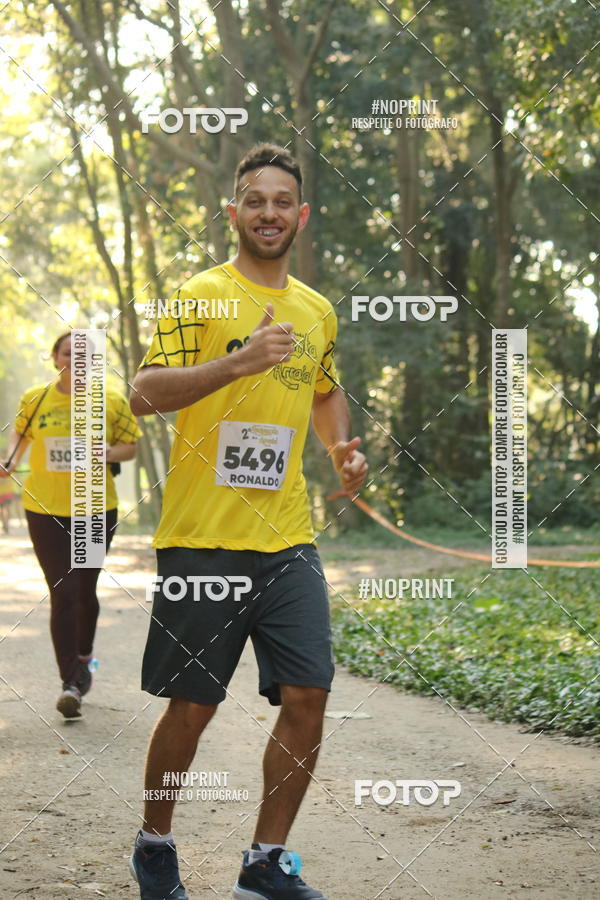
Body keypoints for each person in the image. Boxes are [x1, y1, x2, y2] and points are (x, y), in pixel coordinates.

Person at [129, 143, 368, 900]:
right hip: (203, 538)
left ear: (300, 216)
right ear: (233, 213)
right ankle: (155, 840)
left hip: (287, 539)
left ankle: (264, 864)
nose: (268, 213)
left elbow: (326, 391)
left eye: (282, 202)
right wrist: (238, 363)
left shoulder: (316, 310)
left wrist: (341, 451)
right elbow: (142, 392)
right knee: (193, 707)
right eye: (254, 200)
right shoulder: (199, 295)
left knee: (309, 695)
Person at [0, 331, 141, 718]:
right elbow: (20, 432)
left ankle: (84, 654)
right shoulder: (36, 398)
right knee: (63, 590)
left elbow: (131, 445)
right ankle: (71, 683)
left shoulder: (111, 400)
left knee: (84, 588)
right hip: (44, 508)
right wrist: (10, 458)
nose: (76, 360)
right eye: (68, 353)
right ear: (54, 357)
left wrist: (108, 450)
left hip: (95, 507)